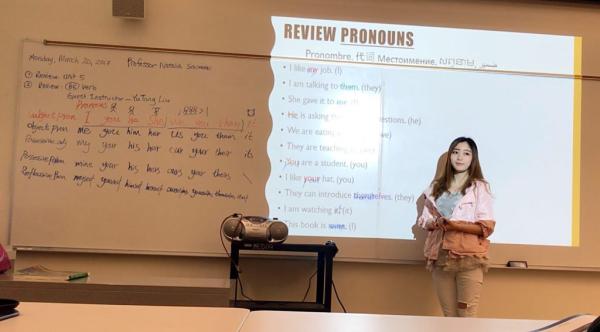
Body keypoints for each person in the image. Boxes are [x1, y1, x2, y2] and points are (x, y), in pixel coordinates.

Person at [417, 137, 495, 317]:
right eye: (455, 152)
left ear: (472, 158)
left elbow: (486, 227)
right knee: (449, 315)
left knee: (467, 314)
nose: (460, 157)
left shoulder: (479, 188)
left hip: (469, 257)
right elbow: (424, 220)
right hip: (440, 256)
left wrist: (455, 225)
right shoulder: (435, 187)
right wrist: (436, 223)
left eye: (466, 153)